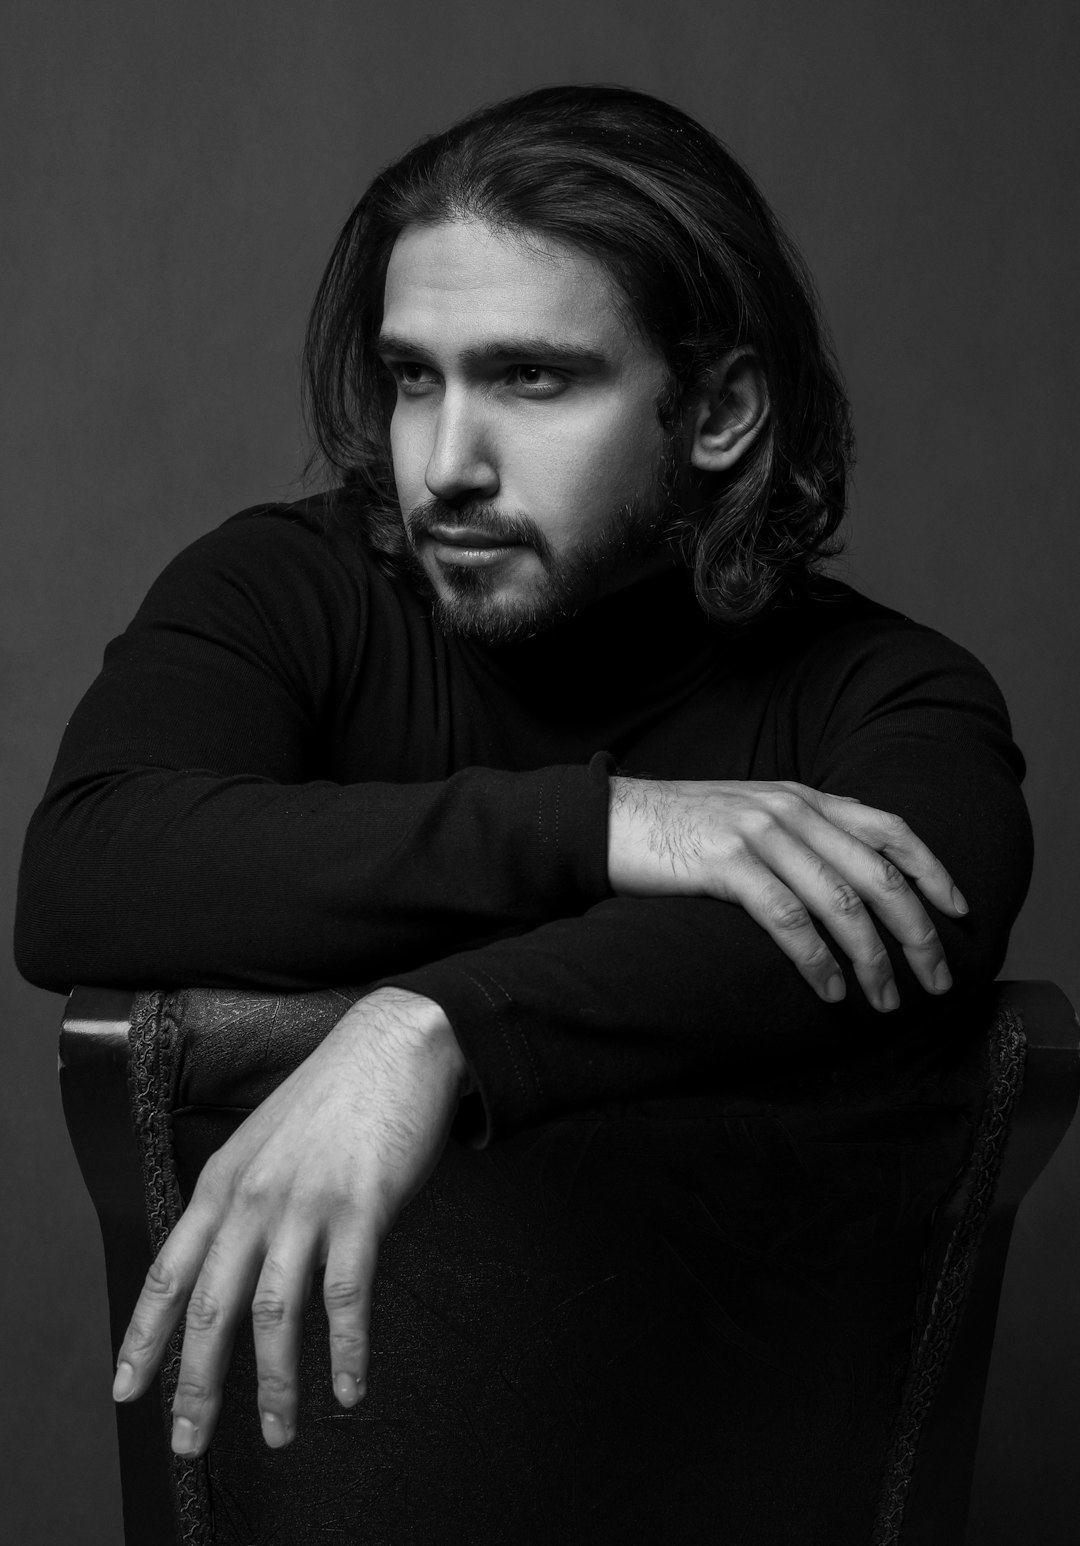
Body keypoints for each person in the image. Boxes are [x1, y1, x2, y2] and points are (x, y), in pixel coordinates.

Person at [17, 85, 1031, 1542]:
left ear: (725, 411)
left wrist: (432, 1027)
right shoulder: (280, 592)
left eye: (533, 380)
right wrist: (600, 825)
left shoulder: (893, 698)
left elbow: (914, 910)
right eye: (414, 378)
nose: (447, 463)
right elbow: (85, 869)